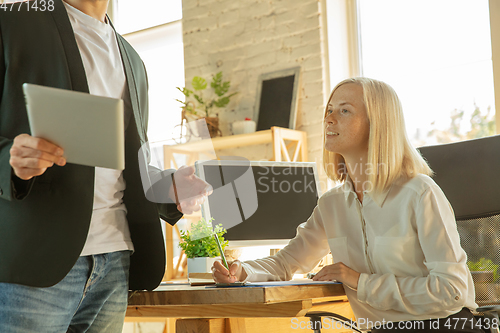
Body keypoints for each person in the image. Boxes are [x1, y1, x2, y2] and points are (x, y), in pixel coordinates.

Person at [0, 0, 210, 332]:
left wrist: (167, 188)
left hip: (115, 264)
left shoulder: (133, 59)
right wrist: (9, 160)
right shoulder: (11, 21)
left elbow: (121, 166)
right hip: (33, 267)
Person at [212, 77, 482, 332]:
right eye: (329, 110)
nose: (328, 119)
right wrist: (242, 271)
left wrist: (359, 281)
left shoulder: (420, 193)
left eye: (344, 111)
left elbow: (453, 291)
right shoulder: (332, 204)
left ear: (377, 123)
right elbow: (286, 262)